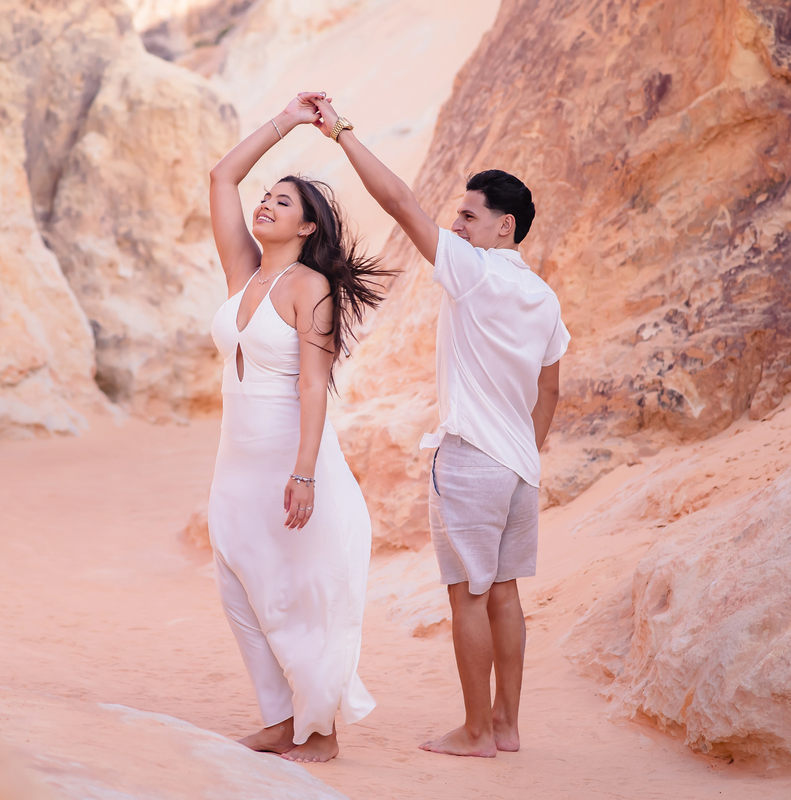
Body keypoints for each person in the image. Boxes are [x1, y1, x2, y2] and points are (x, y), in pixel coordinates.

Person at [307, 97, 569, 758]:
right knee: (504, 593)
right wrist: (525, 451)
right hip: (517, 467)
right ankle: (506, 726)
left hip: (471, 460)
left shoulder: (474, 273)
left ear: (505, 227)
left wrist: (340, 132)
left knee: (468, 599)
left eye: (468, 215)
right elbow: (549, 389)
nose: (455, 224)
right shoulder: (545, 298)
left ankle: (476, 732)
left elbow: (400, 203)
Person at [205, 92, 389, 763]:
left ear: (307, 227)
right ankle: (282, 719)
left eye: (282, 202)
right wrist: (286, 121)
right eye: (267, 197)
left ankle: (321, 730)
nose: (265, 205)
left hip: (291, 458)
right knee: (239, 588)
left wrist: (305, 472)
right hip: (236, 463)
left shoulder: (308, 286)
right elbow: (222, 175)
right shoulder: (243, 273)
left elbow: (315, 384)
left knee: (299, 595)